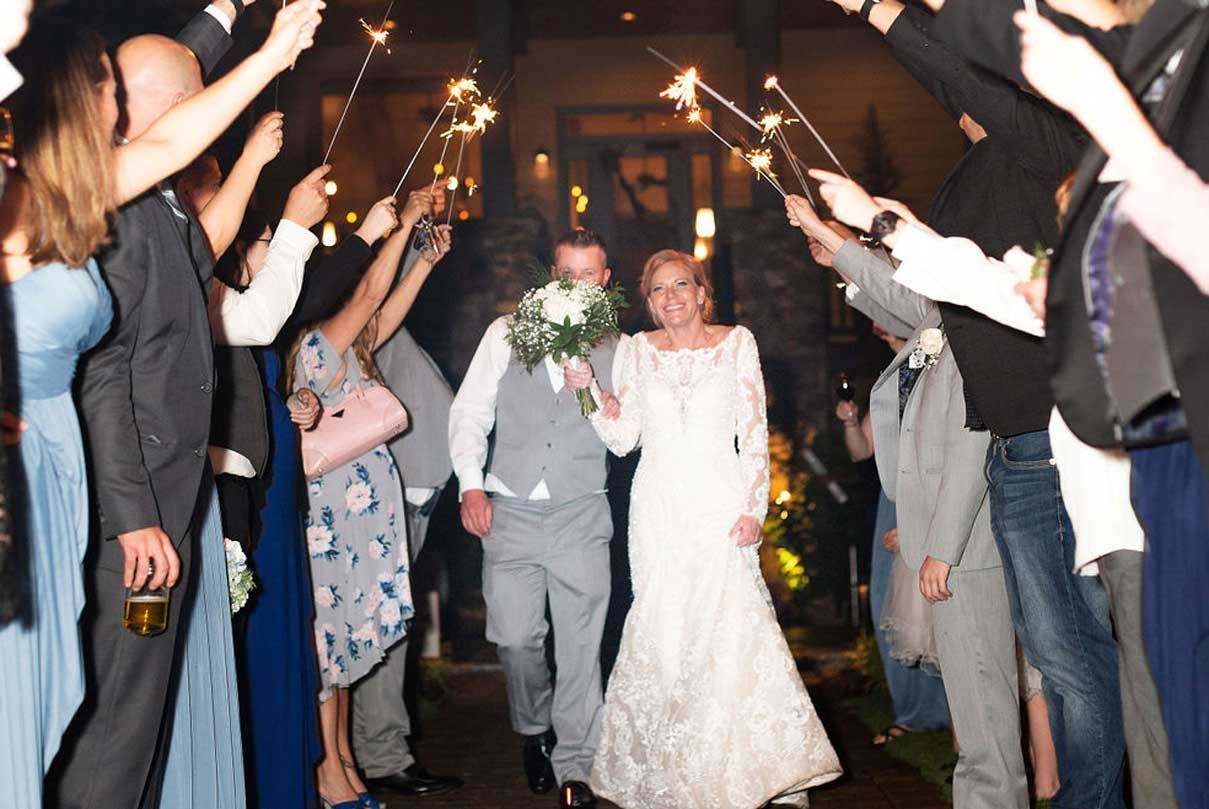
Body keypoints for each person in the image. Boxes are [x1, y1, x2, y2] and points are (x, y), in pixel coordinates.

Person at [49, 4, 324, 808]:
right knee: (115, 731)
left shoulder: (157, 207)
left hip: (163, 512)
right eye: (196, 98)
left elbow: (164, 99)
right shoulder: (119, 215)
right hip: (129, 530)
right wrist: (137, 515)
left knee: (141, 728)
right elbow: (105, 373)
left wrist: (227, 11)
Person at [572, 249, 841, 809]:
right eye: (657, 290)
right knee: (665, 634)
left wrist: (753, 509)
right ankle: (673, 775)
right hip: (659, 509)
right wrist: (588, 391)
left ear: (700, 292)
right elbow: (625, 438)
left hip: (720, 506)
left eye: (680, 285)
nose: (670, 297)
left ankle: (738, 771)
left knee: (730, 631)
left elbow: (754, 430)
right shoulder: (640, 351)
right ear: (648, 303)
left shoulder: (737, 342)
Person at [789, 198, 1025, 808]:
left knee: (985, 722)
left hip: (965, 552)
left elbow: (973, 448)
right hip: (939, 543)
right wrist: (840, 259)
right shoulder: (936, 334)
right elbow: (892, 301)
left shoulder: (974, 338)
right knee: (976, 723)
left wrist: (940, 549)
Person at [449, 229, 620, 809]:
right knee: (518, 640)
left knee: (580, 644)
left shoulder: (621, 348)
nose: (577, 283)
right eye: (566, 273)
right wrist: (472, 488)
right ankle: (533, 729)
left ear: (605, 280)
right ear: (553, 275)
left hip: (581, 510)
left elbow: (625, 437)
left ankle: (577, 764)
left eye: (588, 274)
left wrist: (593, 390)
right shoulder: (505, 333)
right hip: (511, 509)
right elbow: (470, 411)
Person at [289, 190, 449, 809]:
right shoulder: (314, 347)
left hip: (363, 517)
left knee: (349, 642)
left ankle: (347, 763)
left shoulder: (347, 344)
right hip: (334, 514)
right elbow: (367, 300)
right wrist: (402, 223)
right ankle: (330, 773)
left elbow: (386, 313)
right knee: (330, 642)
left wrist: (425, 262)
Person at [353, 249, 463, 798]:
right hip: (390, 504)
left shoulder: (395, 338)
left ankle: (381, 750)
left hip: (409, 503)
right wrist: (413, 246)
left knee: (393, 628)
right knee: (383, 629)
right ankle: (380, 754)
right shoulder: (370, 331)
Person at [834, 328, 951, 746]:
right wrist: (849, 422)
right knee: (890, 606)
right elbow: (861, 450)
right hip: (892, 502)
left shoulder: (932, 361)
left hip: (929, 497)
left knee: (932, 608)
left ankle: (944, 713)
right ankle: (913, 712)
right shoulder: (892, 373)